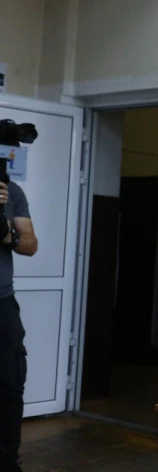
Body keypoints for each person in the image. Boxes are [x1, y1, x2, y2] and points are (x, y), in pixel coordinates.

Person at [0, 179, 38, 472]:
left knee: (10, 385)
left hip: (3, 303)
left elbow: (30, 244)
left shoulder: (11, 192)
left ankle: (7, 463)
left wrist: (8, 237)